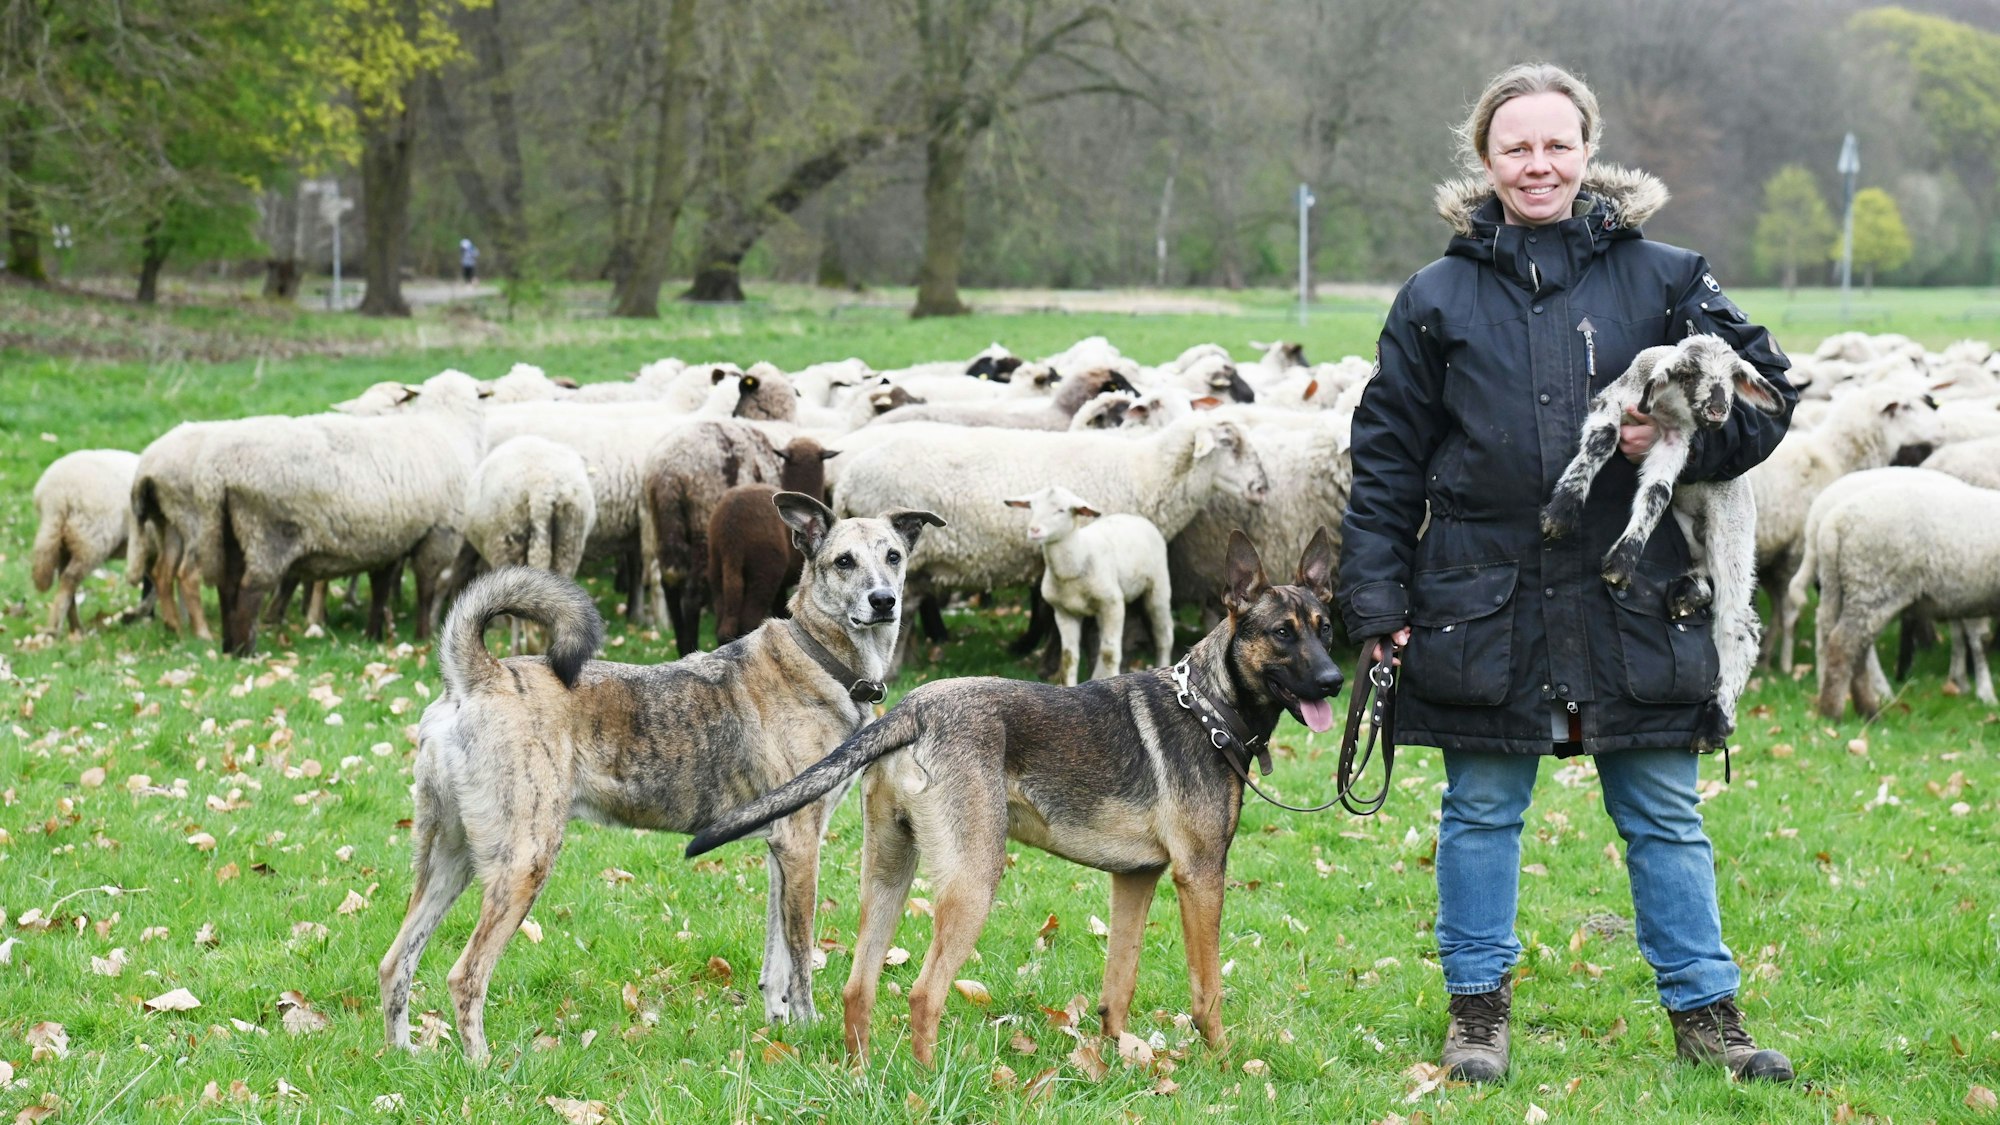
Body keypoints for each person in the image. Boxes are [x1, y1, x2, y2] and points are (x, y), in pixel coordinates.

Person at [1337, 63, 1797, 1084]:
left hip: (1633, 591)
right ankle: (1475, 1014)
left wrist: (1666, 438)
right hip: (1478, 596)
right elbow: (1384, 459)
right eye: (1515, 147)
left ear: (1587, 152)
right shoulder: (1434, 296)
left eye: (1555, 145)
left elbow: (1765, 405)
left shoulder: (1667, 277)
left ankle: (1705, 1015)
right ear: (1485, 159)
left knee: (1662, 813)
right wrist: (1374, 601)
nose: (1536, 164)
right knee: (1480, 812)